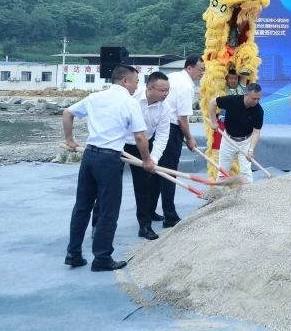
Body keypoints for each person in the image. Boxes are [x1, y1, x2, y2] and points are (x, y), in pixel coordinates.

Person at [62, 65, 154, 271]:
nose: (136, 86)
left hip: (90, 156)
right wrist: (147, 160)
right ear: (125, 81)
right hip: (109, 159)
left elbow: (67, 113)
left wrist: (69, 140)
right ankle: (102, 258)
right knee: (108, 209)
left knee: (82, 206)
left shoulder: (95, 97)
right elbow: (140, 136)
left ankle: (73, 253)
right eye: (135, 82)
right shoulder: (129, 102)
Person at [154, 57, 202, 228]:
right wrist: (189, 138)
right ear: (189, 68)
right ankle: (170, 216)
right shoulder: (187, 85)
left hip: (157, 126)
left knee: (156, 171)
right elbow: (182, 118)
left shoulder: (173, 76)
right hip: (170, 129)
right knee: (169, 173)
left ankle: (150, 211)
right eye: (200, 69)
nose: (202, 73)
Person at [128, 72, 171, 240]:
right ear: (150, 88)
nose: (165, 94)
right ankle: (97, 224)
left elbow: (162, 136)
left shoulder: (165, 108)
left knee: (144, 188)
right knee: (109, 187)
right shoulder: (131, 99)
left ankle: (145, 226)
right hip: (121, 144)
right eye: (162, 90)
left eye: (167, 90)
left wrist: (152, 159)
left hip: (144, 147)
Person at [207, 82, 264, 182]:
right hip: (228, 139)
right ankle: (219, 191)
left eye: (258, 99)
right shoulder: (232, 100)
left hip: (246, 141)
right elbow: (212, 102)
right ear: (246, 94)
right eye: (254, 98)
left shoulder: (259, 111)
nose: (256, 101)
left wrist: (251, 150)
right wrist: (213, 121)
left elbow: (256, 132)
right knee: (223, 171)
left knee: (246, 172)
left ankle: (249, 191)